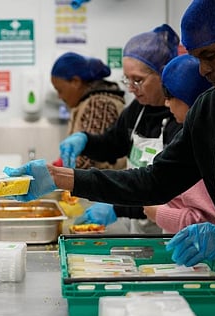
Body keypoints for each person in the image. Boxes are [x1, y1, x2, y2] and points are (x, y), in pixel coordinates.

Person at [5, 0, 215, 268]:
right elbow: (154, 182)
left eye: (211, 55)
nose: (203, 70)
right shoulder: (209, 110)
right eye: (197, 58)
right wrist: (57, 177)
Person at [62, 24, 182, 234]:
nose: (130, 88)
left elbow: (160, 187)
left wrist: (117, 207)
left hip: (169, 232)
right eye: (127, 79)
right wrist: (85, 141)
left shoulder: (179, 119)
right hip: (138, 229)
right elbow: (113, 144)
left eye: (138, 80)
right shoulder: (138, 109)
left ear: (163, 75)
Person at [141, 54, 215, 233]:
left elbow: (207, 222)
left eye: (171, 96)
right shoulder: (192, 132)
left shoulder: (202, 144)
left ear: (188, 97)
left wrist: (159, 213)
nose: (167, 103)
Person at [50, 52, 126, 170]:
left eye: (60, 90)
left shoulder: (99, 104)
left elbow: (88, 163)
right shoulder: (86, 103)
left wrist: (53, 171)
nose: (59, 96)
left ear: (75, 82)